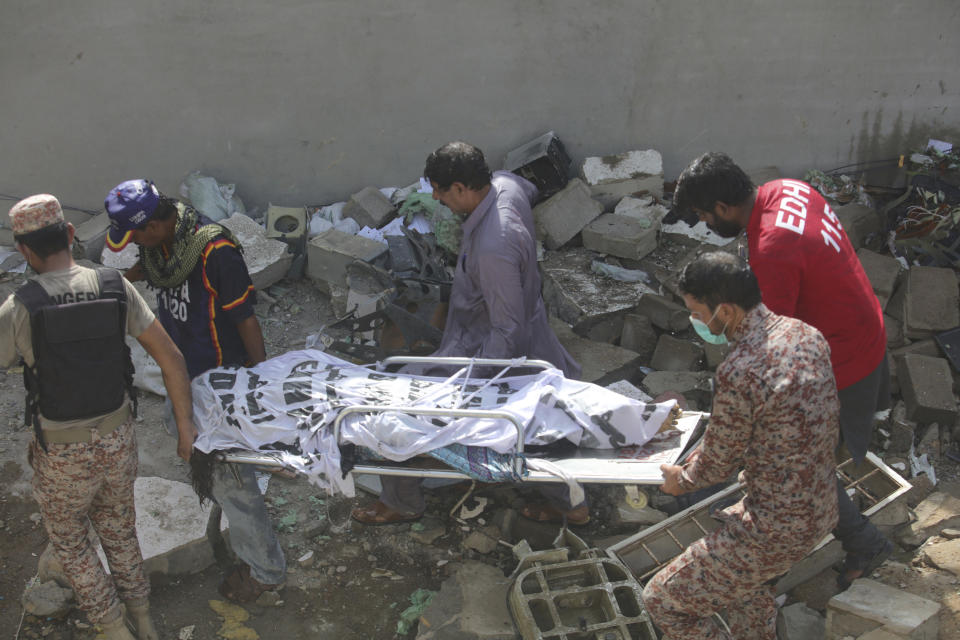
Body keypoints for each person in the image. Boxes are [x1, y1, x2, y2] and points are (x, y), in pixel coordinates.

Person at [672, 151, 893, 589]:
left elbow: (766, 348)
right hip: (860, 330)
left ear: (722, 207)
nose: (705, 225)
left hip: (839, 362)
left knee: (804, 469)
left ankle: (865, 543)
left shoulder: (774, 250)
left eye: (703, 216)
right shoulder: (789, 190)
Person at [351, 141, 583, 526]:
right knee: (541, 425)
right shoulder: (506, 186)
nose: (438, 199)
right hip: (519, 325)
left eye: (441, 192)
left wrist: (462, 391)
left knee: (404, 412)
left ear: (460, 188)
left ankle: (403, 500)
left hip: (493, 348)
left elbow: (505, 331)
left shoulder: (494, 246)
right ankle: (568, 502)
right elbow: (530, 192)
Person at [0, 194, 196, 640]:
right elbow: (172, 359)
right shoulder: (115, 286)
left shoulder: (20, 308)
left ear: (25, 252)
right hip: (118, 438)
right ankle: (143, 617)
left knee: (71, 542)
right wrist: (185, 428)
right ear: (70, 234)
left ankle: (111, 627)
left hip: (62, 450)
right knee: (120, 529)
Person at [104, 179, 285, 603]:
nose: (134, 246)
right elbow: (143, 273)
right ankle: (232, 506)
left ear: (153, 225)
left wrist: (260, 381)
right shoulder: (160, 247)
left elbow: (245, 318)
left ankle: (266, 573)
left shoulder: (214, 252)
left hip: (222, 382)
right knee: (188, 438)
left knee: (237, 485)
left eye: (134, 237)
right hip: (183, 373)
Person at [642, 253, 839, 639]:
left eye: (697, 313)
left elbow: (715, 468)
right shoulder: (805, 334)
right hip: (820, 507)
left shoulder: (741, 370)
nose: (695, 322)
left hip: (771, 528)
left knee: (662, 600)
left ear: (727, 311)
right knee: (744, 590)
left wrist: (678, 480)